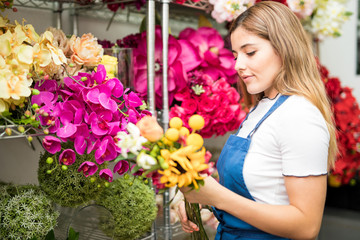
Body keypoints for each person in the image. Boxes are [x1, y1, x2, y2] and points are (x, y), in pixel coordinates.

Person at [177, 1, 338, 240]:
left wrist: (217, 197)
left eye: (250, 52)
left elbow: (306, 226)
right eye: (235, 55)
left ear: (284, 48)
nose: (238, 65)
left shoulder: (299, 115)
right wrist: (205, 201)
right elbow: (263, 192)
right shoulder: (261, 109)